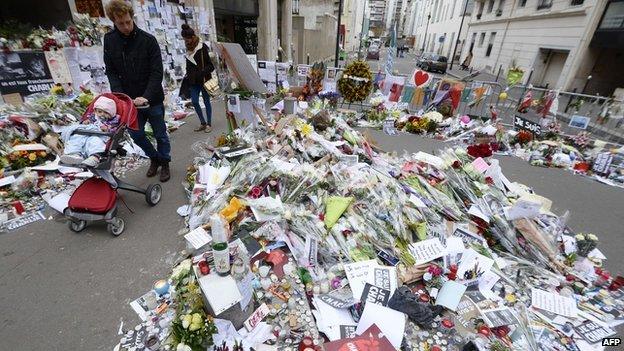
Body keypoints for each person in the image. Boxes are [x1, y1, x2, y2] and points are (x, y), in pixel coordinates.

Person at [103, 0, 171, 182]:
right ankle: (154, 158)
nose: (126, 27)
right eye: (120, 23)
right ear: (114, 22)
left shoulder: (148, 40)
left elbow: (157, 72)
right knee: (137, 135)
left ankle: (165, 162)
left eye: (128, 22)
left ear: (132, 18)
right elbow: (111, 70)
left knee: (160, 134)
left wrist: (146, 96)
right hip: (130, 101)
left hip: (153, 98)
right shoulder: (110, 41)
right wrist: (121, 96)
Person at [60, 96, 120, 167]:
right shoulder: (93, 117)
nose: (102, 114)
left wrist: (108, 129)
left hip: (101, 136)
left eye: (106, 112)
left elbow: (115, 130)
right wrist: (86, 122)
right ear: (95, 111)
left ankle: (95, 157)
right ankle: (74, 154)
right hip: (87, 134)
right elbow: (86, 123)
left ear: (111, 114)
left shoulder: (113, 121)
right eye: (99, 111)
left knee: (95, 141)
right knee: (77, 137)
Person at [181, 24, 215, 132]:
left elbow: (211, 66)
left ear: (192, 37)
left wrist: (201, 73)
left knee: (206, 101)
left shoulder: (202, 47)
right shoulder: (188, 49)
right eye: (184, 39)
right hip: (193, 82)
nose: (186, 41)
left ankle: (209, 123)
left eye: (187, 39)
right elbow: (188, 65)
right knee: (195, 102)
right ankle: (202, 123)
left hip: (204, 80)